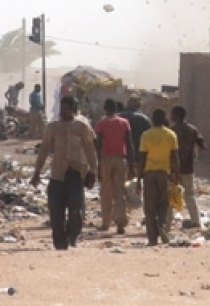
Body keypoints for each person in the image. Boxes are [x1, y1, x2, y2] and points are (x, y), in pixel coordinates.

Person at [31, 95, 99, 250]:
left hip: (76, 173)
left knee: (75, 206)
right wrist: (37, 172)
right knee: (56, 209)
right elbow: (44, 150)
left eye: (67, 109)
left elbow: (90, 150)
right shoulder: (52, 127)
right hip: (57, 174)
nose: (64, 112)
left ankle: (73, 235)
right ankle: (60, 242)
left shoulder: (82, 127)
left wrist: (93, 171)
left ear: (73, 110)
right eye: (62, 108)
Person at [136, 108, 179, 246]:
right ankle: (162, 226)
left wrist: (138, 179)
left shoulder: (146, 135)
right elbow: (174, 158)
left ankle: (152, 239)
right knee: (163, 204)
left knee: (149, 207)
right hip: (164, 174)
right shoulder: (171, 135)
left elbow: (142, 158)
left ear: (153, 120)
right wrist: (176, 176)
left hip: (149, 174)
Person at [95, 98, 134, 234]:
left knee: (106, 191)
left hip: (106, 159)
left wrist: (98, 164)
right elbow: (129, 143)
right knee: (119, 191)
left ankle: (106, 223)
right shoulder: (124, 123)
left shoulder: (101, 124)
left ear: (105, 108)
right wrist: (131, 163)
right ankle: (120, 222)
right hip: (120, 159)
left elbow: (98, 145)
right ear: (116, 109)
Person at [171, 105, 206, 228]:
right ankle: (196, 221)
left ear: (176, 115)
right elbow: (202, 146)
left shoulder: (171, 130)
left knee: (171, 194)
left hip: (173, 168)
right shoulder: (192, 129)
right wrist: (193, 155)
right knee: (190, 194)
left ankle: (167, 223)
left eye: (172, 114)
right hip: (188, 166)